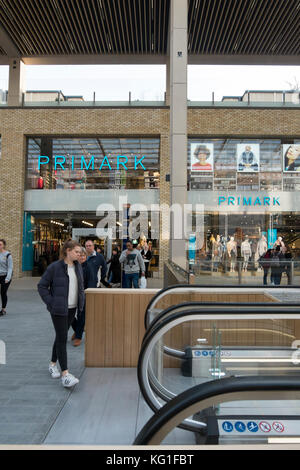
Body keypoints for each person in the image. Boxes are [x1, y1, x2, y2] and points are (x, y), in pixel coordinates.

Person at [38, 240, 84, 388]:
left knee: (60, 335)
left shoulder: (78, 267)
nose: (79, 254)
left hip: (72, 308)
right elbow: (42, 286)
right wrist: (51, 303)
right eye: (77, 252)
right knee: (63, 338)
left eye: (80, 252)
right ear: (67, 251)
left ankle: (52, 364)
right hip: (58, 309)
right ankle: (65, 374)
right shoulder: (55, 267)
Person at [71, 247, 94, 347]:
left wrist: (87, 294)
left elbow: (91, 282)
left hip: (83, 295)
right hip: (72, 294)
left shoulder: (88, 267)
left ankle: (78, 337)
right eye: (80, 255)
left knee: (81, 316)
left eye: (83, 255)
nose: (82, 257)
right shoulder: (73, 266)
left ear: (86, 256)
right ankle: (77, 330)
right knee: (70, 315)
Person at [0, 239, 13, 316]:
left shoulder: (8, 255)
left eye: (0, 244)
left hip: (5, 276)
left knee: (3, 293)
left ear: (4, 245)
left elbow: (10, 267)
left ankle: (3, 309)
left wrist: (8, 278)